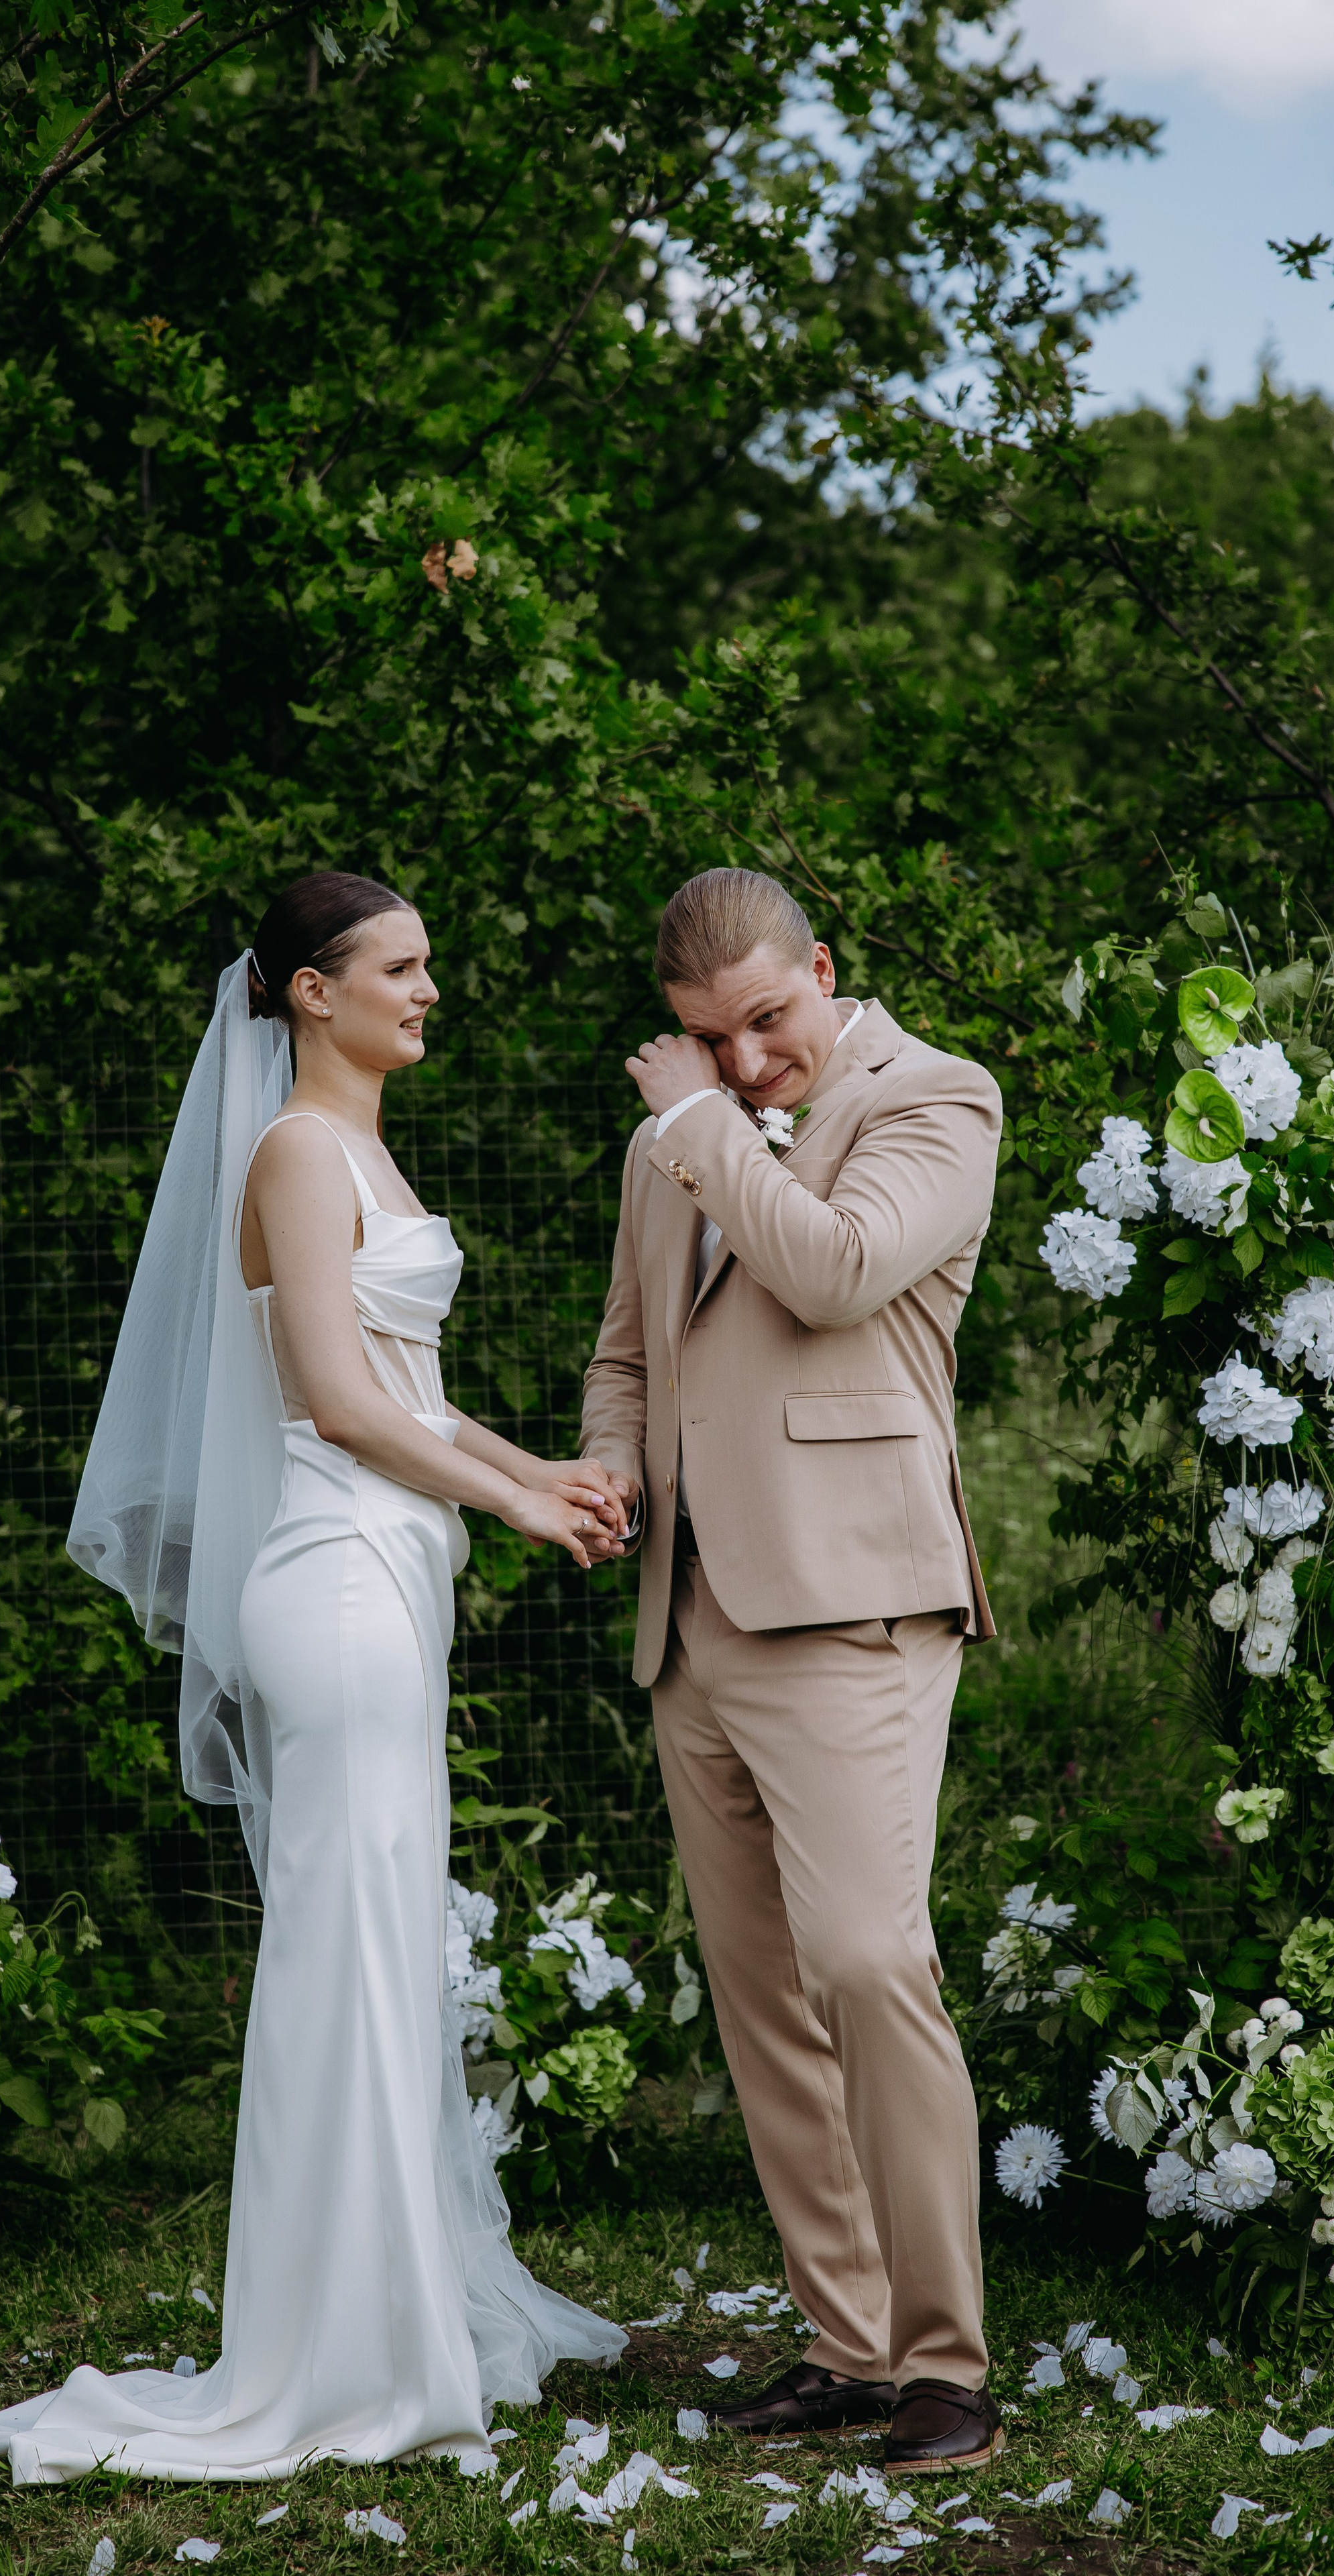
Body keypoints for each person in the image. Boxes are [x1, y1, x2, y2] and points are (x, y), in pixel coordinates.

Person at [0, 873, 627, 2485]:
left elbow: (411, 1384)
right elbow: (333, 1400)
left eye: (428, 964)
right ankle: (325, 2351)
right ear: (309, 993)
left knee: (386, 1936)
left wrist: (528, 1456)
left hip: (385, 1574)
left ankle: (391, 2309)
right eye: (400, 967)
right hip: (330, 1581)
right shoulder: (292, 1151)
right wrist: (517, 1501)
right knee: (342, 1944)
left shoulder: (361, 1150)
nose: (429, 989)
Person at [580, 867, 1003, 2472]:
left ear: (820, 970)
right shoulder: (670, 1140)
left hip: (856, 1609)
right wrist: (605, 1472)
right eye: (709, 1037)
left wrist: (697, 1129)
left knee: (867, 1962)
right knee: (763, 1998)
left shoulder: (932, 1100)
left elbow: (831, 1270)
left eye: (768, 1019)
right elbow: (627, 1351)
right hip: (694, 1619)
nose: (747, 1062)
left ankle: (945, 2361)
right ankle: (846, 2344)